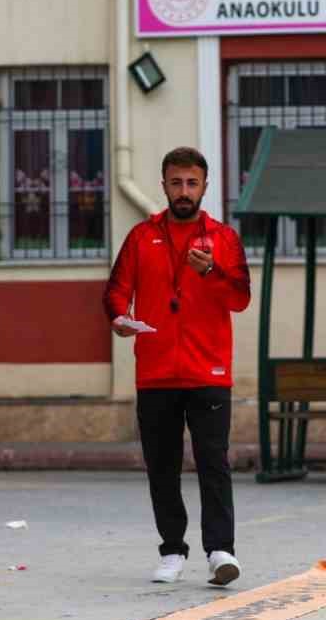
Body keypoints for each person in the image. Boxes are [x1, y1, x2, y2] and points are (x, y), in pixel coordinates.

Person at [103, 146, 251, 586]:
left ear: (205, 186)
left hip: (209, 372)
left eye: (192, 183)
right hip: (155, 371)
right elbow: (115, 292)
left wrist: (211, 274)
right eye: (176, 182)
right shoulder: (139, 238)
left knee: (213, 462)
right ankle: (171, 549)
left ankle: (221, 550)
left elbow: (240, 297)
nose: (183, 191)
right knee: (161, 466)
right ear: (164, 185)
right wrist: (119, 320)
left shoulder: (223, 239)